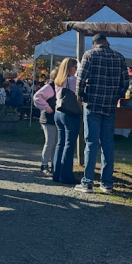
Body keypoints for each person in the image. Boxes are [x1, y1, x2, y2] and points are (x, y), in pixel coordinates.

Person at [76, 34, 129, 194]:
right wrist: (115, 96)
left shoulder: (90, 54)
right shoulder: (119, 57)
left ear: (94, 44)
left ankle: (88, 182)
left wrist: (81, 95)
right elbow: (125, 83)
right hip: (110, 106)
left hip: (92, 104)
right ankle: (107, 183)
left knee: (91, 143)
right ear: (107, 42)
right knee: (108, 144)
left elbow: (81, 78)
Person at [50, 57, 80, 185]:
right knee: (69, 144)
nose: (76, 69)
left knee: (60, 143)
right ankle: (66, 175)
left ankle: (57, 173)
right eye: (75, 67)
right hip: (70, 113)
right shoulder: (73, 80)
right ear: (70, 68)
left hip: (58, 112)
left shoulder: (58, 80)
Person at [33, 77, 58, 175]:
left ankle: (53, 164)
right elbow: (37, 97)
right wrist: (47, 108)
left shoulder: (56, 86)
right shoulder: (50, 87)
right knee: (50, 142)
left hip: (53, 118)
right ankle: (44, 165)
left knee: (55, 143)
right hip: (48, 118)